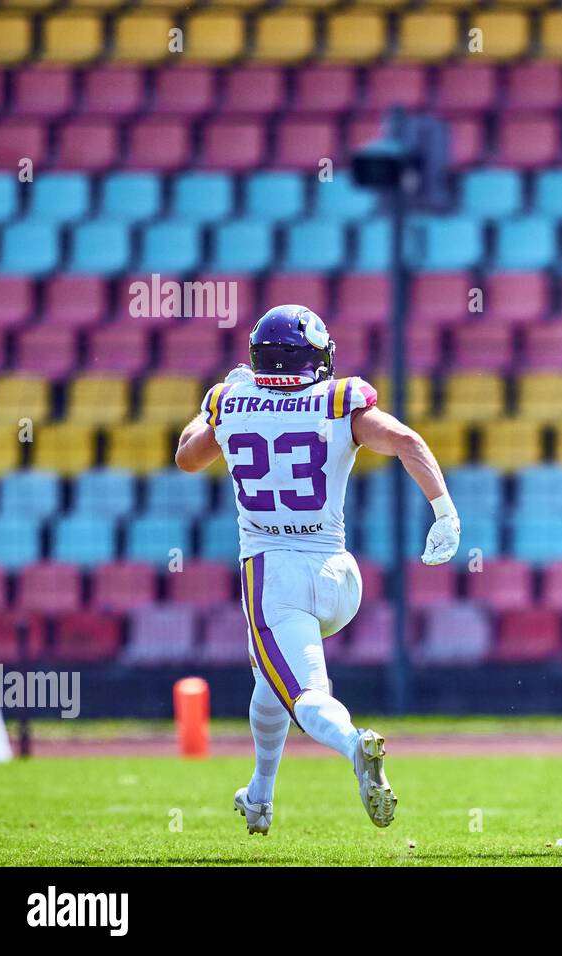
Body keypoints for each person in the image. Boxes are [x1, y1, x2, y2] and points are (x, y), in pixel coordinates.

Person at [175, 305, 461, 832]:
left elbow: (187, 458)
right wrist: (444, 512)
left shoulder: (229, 402)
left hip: (273, 578)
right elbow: (407, 442)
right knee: (272, 679)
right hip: (338, 578)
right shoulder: (336, 400)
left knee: (305, 695)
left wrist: (209, 410)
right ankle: (259, 795)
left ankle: (356, 746)